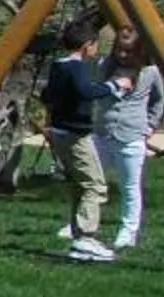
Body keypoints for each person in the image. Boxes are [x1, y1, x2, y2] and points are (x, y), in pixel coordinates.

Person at [43, 16, 120, 262]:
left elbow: (47, 95)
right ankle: (86, 237)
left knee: (79, 184)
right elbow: (86, 91)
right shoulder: (77, 68)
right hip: (76, 134)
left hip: (59, 132)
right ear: (88, 45)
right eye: (96, 45)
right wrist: (113, 87)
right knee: (95, 186)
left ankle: (78, 234)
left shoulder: (58, 67)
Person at [101, 28, 164, 252]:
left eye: (128, 51)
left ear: (139, 51)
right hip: (103, 132)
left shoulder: (150, 72)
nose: (122, 55)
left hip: (131, 135)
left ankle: (128, 231)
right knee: (90, 180)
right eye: (119, 49)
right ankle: (79, 223)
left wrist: (150, 126)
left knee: (130, 186)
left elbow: (158, 101)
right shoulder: (106, 66)